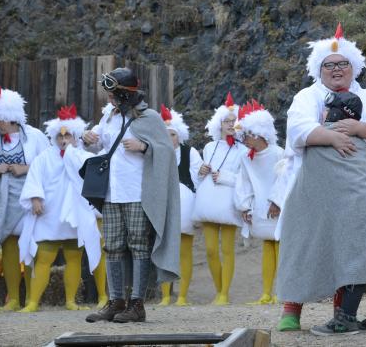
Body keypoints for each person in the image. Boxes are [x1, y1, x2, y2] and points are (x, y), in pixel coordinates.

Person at [276, 24, 366, 336]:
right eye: (329, 65)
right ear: (320, 69)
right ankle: (292, 309)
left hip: (358, 182)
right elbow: (297, 132)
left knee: (354, 244)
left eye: (343, 64)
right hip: (313, 186)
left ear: (353, 67)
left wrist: (358, 129)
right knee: (304, 241)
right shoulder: (307, 96)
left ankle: (344, 315)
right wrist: (330, 136)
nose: (337, 69)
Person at [82, 67, 181, 323]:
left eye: (112, 94)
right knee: (113, 247)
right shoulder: (109, 117)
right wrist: (87, 137)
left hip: (138, 193)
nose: (109, 99)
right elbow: (97, 144)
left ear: (124, 94)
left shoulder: (149, 117)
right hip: (111, 193)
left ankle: (137, 304)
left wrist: (143, 146)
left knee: (138, 246)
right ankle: (116, 302)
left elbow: (167, 151)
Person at [17, 104, 101, 312]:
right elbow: (34, 177)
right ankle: (33, 302)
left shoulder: (84, 157)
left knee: (74, 257)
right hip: (49, 215)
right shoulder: (44, 157)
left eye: (69, 136)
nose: (64, 141)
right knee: (44, 257)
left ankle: (71, 301)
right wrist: (35, 198)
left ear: (75, 137)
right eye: (60, 137)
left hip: (74, 214)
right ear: (54, 137)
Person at [0, 86, 51, 312]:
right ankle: (13, 300)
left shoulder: (35, 137)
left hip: (29, 198)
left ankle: (32, 299)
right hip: (3, 199)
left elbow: (48, 167)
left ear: (11, 117)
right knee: (9, 246)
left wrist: (25, 168)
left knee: (30, 247)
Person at [191, 92, 248, 305]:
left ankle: (224, 293)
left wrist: (224, 177)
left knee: (227, 249)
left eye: (234, 121)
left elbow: (244, 180)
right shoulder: (209, 147)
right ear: (219, 124)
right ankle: (218, 290)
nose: (231, 124)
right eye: (227, 121)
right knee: (211, 250)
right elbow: (198, 177)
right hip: (208, 201)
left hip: (229, 202)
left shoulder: (243, 150)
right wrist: (202, 171)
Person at [233, 99, 284, 305]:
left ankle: (281, 291)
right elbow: (243, 182)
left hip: (277, 209)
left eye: (247, 135)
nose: (243, 139)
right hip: (260, 209)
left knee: (280, 248)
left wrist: (277, 201)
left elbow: (284, 180)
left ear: (259, 133)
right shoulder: (246, 158)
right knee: (267, 248)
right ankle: (266, 292)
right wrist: (244, 206)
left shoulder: (279, 153)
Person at [157, 104, 201, 306]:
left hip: (185, 205)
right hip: (163, 204)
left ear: (179, 135)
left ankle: (182, 295)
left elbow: (197, 179)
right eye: (166, 134)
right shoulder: (156, 153)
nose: (169, 138)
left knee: (184, 251)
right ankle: (165, 296)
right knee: (164, 250)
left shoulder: (190, 152)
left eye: (172, 134)